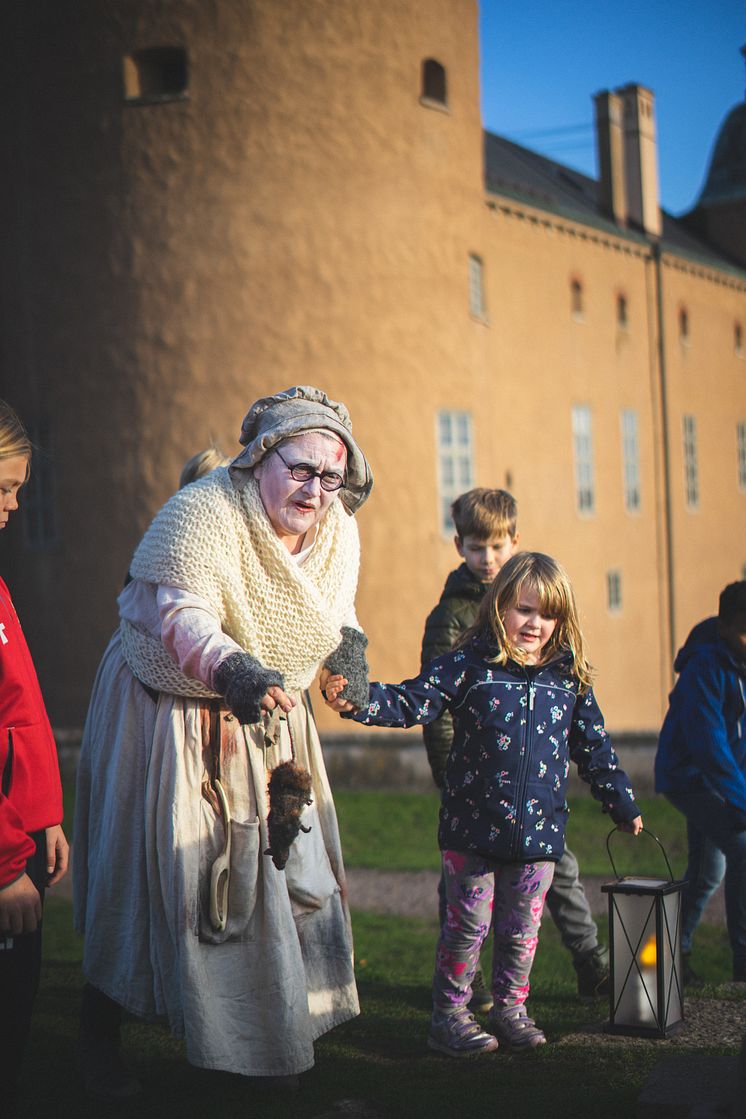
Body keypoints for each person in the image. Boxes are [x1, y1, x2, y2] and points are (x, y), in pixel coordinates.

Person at [74, 386, 373, 1097]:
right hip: (168, 709)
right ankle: (99, 1039)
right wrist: (232, 668)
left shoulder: (336, 530)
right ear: (263, 455)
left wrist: (347, 653)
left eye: (331, 476)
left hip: (268, 718)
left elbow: (334, 605)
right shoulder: (201, 511)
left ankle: (260, 1041)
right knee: (162, 874)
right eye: (301, 469)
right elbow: (178, 610)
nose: (316, 489)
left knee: (274, 874)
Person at [325, 551, 642, 1057]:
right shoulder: (468, 666)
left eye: (548, 613)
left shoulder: (570, 681)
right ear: (498, 607)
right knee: (466, 928)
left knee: (521, 933)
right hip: (471, 831)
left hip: (539, 838)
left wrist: (622, 803)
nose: (535, 623)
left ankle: (511, 1010)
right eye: (524, 609)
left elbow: (595, 747)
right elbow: (413, 700)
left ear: (563, 618)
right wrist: (358, 699)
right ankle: (449, 1017)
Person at [421, 488, 612, 1003]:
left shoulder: (528, 608)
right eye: (478, 547)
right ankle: (466, 982)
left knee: (559, 870)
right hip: (474, 782)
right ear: (460, 545)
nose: (488, 559)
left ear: (514, 543)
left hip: (529, 788)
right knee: (462, 884)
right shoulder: (453, 616)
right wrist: (448, 775)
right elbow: (435, 705)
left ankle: (589, 960)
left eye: (498, 548)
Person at [0, 399, 69, 1117]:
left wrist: (46, 816)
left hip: (22, 845)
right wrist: (1, 867)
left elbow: (25, 711)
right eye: (6, 487)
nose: (17, 503)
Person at [655, 580, 746, 982]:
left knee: (708, 871)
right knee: (742, 848)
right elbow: (711, 751)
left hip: (727, 781)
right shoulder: (705, 669)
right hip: (691, 777)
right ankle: (742, 967)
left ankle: (667, 955)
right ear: (723, 627)